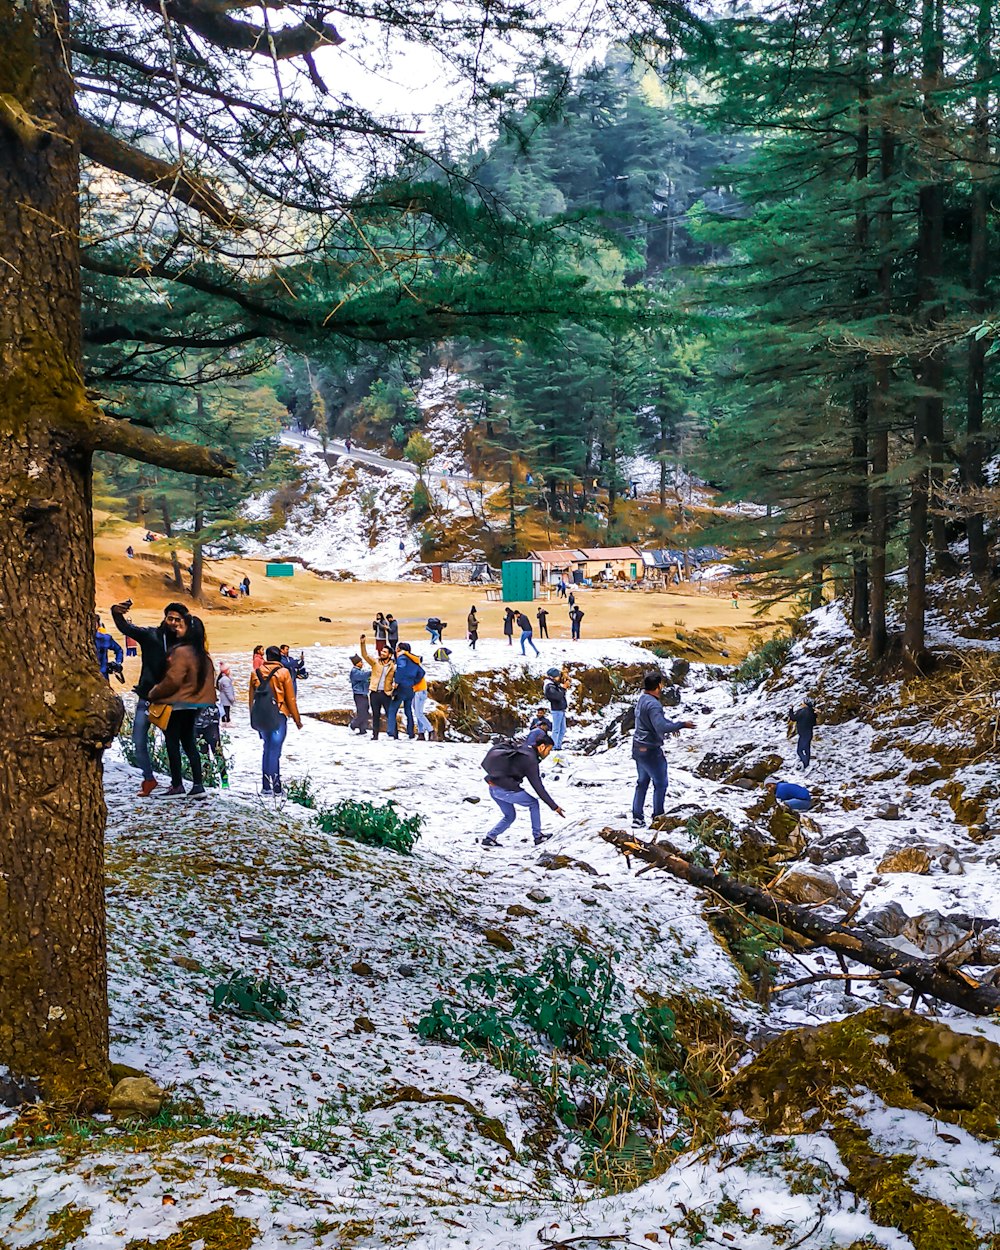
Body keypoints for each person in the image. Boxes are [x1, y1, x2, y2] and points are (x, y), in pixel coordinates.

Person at [111, 599, 186, 796]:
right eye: (170, 618)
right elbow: (128, 629)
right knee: (138, 740)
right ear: (165, 618)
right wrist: (116, 613)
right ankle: (149, 778)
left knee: (174, 743)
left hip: (172, 700)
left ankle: (178, 783)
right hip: (147, 698)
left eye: (177, 619)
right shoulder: (151, 636)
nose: (172, 622)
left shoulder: (184, 643)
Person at [148, 613, 217, 800]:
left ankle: (177, 785)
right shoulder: (204, 655)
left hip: (178, 704)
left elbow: (172, 680)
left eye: (181, 626)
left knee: (172, 741)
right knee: (188, 742)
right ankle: (198, 784)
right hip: (195, 705)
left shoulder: (181, 652)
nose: (176, 628)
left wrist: (153, 693)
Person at [631, 671, 695, 829]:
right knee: (661, 784)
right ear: (658, 686)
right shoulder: (654, 704)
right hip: (651, 750)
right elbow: (660, 725)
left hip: (638, 747)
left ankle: (637, 817)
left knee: (642, 782)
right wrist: (681, 724)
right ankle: (658, 817)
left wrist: (669, 724)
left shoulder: (643, 699)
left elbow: (655, 722)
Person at [480, 734, 565, 849]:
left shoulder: (524, 749)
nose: (548, 754)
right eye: (549, 750)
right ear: (542, 747)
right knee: (533, 803)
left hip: (494, 787)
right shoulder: (530, 760)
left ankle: (490, 838)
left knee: (510, 816)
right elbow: (537, 786)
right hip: (505, 789)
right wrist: (554, 806)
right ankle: (538, 836)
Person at [248, 645, 303, 795]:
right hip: (279, 714)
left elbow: (251, 699)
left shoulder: (256, 673)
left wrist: (253, 718)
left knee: (267, 749)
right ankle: (277, 786)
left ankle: (266, 786)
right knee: (275, 750)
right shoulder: (283, 673)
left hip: (262, 715)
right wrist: (297, 720)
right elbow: (290, 698)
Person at [360, 633, 395, 740]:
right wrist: (362, 644)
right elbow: (365, 656)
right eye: (382, 651)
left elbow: (398, 677)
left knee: (390, 714)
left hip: (386, 693)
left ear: (389, 655)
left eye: (385, 652)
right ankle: (375, 735)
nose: (382, 653)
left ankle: (395, 734)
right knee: (375, 715)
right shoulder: (375, 662)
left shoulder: (393, 666)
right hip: (375, 693)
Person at [387, 641, 423, 740]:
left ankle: (391, 732)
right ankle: (411, 732)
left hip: (401, 687)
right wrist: (413, 682)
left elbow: (401, 669)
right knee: (408, 710)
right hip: (410, 688)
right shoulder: (413, 660)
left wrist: (397, 682)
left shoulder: (402, 658)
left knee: (392, 709)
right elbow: (421, 672)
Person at [194, 703, 229, 788]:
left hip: (211, 719)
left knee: (217, 751)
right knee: (203, 753)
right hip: (196, 721)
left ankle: (224, 779)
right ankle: (208, 780)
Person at [544, 667, 569, 750]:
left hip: (561, 709)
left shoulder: (554, 685)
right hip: (557, 710)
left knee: (562, 729)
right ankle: (554, 746)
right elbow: (557, 697)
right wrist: (564, 688)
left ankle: (558, 745)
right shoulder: (550, 686)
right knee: (556, 729)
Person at [788, 699, 817, 769]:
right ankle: (807, 764)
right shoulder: (812, 712)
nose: (801, 704)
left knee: (799, 751)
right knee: (807, 749)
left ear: (805, 704)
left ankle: (805, 764)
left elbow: (793, 718)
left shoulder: (802, 711)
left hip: (803, 734)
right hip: (809, 733)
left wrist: (790, 709)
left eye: (802, 703)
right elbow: (814, 723)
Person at [349, 653, 370, 734]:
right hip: (359, 694)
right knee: (362, 713)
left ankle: (363, 729)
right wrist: (371, 672)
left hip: (364, 693)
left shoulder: (359, 671)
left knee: (366, 712)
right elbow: (362, 676)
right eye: (361, 662)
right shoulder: (354, 672)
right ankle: (353, 725)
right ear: (357, 663)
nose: (362, 664)